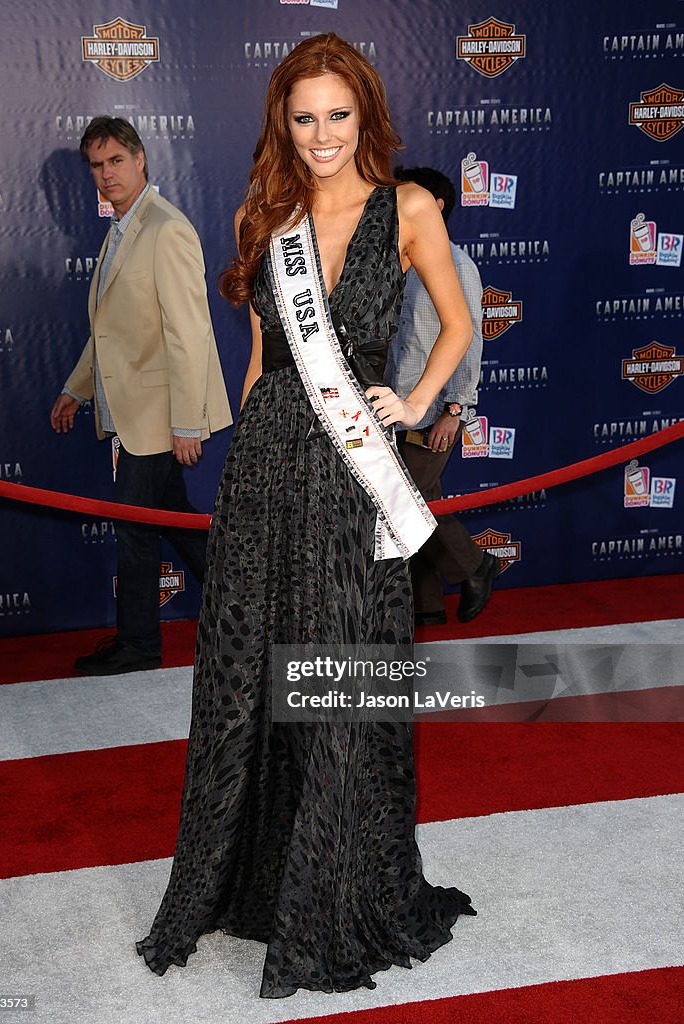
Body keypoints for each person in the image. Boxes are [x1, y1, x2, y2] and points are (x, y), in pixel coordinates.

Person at [136, 34, 476, 998]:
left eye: (339, 115)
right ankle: (254, 875)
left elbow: (455, 323)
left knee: (342, 668)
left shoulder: (407, 208)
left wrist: (413, 399)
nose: (323, 134)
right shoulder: (262, 213)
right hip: (270, 470)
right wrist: (243, 454)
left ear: (363, 115)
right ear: (281, 123)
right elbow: (258, 360)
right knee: (250, 675)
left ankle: (342, 885)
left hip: (353, 474)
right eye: (304, 117)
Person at [50, 117, 232, 676]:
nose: (106, 175)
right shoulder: (124, 227)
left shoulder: (165, 228)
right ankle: (249, 610)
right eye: (97, 166)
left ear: (141, 159)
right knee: (174, 518)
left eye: (115, 162)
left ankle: (139, 644)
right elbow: (111, 331)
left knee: (135, 527)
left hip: (159, 416)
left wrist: (186, 423)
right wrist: (74, 390)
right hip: (140, 414)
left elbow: (188, 331)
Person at [386, 166, 500, 625]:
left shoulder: (455, 264)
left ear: (433, 206)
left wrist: (455, 409)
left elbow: (468, 340)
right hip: (398, 408)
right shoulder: (402, 260)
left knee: (410, 502)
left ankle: (475, 565)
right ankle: (426, 604)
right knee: (417, 497)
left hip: (435, 411)